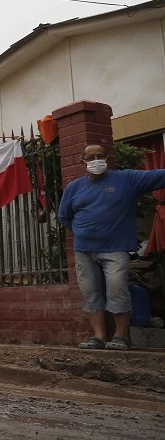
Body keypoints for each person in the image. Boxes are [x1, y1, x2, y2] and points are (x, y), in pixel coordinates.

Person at [57, 143, 165, 351]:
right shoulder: (74, 188)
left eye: (100, 156)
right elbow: (64, 217)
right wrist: (83, 232)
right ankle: (98, 337)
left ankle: (121, 337)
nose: (96, 160)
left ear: (107, 159)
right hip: (84, 250)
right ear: (83, 162)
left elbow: (158, 175)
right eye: (91, 157)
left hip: (115, 248)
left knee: (117, 289)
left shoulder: (126, 179)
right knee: (90, 292)